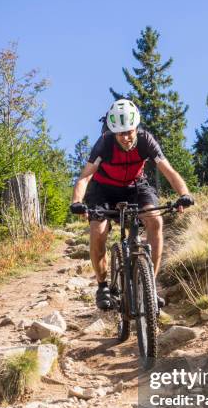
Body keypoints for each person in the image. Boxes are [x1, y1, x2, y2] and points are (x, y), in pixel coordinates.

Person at [70, 98, 194, 310]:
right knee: (98, 230)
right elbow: (84, 177)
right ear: (113, 132)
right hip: (103, 189)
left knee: (155, 221)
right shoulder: (104, 143)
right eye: (120, 133)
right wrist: (77, 202)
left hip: (135, 187)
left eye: (130, 131)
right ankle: (103, 287)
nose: (126, 137)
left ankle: (150, 286)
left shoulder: (146, 141)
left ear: (136, 127)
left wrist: (184, 194)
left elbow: (169, 171)